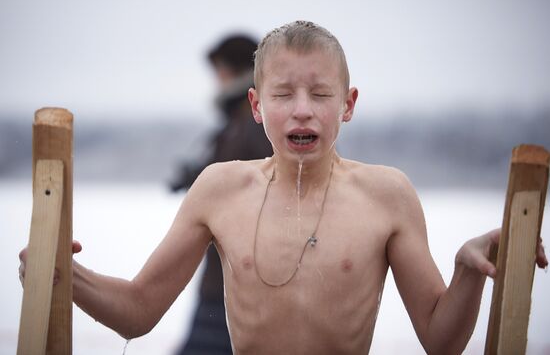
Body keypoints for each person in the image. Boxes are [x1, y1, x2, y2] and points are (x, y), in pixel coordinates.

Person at [19, 21, 547, 354]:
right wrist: (65, 277)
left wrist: (465, 271)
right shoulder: (219, 189)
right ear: (256, 105)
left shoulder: (387, 195)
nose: (302, 109)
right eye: (283, 94)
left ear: (348, 103)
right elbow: (138, 310)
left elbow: (440, 339)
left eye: (320, 94)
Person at [170, 34, 272, 354]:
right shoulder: (237, 124)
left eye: (220, 72)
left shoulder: (256, 125)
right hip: (225, 279)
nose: (216, 82)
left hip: (240, 283)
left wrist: (204, 179)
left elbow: (257, 188)